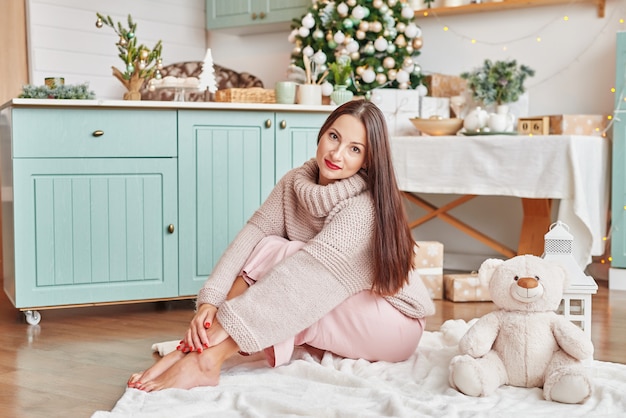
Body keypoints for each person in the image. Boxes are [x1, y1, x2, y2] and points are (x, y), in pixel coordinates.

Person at [128, 100, 435, 391]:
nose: (337, 153)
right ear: (322, 131)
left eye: (354, 149)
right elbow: (251, 236)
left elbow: (307, 276)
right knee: (269, 246)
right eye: (333, 137)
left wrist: (227, 320)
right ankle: (190, 353)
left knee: (287, 271)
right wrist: (210, 301)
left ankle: (206, 359)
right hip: (342, 307)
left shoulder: (361, 208)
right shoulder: (294, 183)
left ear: (367, 160)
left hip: (394, 325)